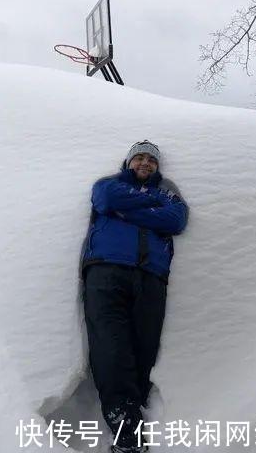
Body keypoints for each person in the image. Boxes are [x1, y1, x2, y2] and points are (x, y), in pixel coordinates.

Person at [81, 140, 188, 453]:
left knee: (144, 351)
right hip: (105, 274)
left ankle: (134, 410)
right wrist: (149, 208)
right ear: (128, 162)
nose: (145, 163)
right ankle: (127, 434)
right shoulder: (109, 185)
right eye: (139, 158)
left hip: (151, 278)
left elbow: (176, 219)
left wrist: (127, 211)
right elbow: (104, 199)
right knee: (110, 350)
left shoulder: (166, 192)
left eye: (151, 160)